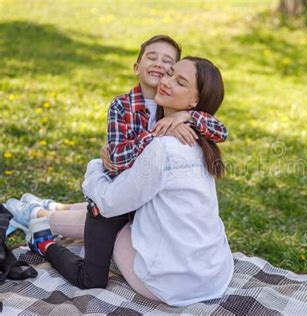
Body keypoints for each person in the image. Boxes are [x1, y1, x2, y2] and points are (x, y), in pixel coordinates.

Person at [4, 35, 229, 290]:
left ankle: (40, 221)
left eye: (176, 77)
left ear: (194, 103)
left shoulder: (174, 134)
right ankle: (45, 211)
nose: (164, 78)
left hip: (144, 232)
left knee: (104, 213)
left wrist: (96, 166)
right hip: (208, 272)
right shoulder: (187, 135)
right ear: (137, 67)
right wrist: (175, 121)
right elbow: (122, 163)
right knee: (109, 211)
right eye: (168, 73)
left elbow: (110, 202)